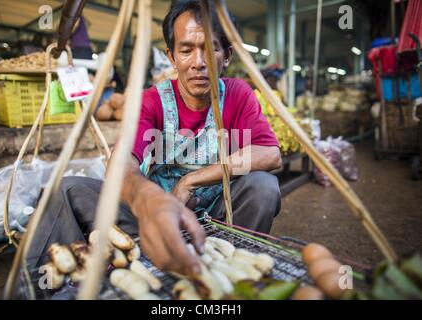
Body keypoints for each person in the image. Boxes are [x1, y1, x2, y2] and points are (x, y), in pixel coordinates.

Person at [27, 0, 282, 277]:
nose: (199, 63)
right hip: (150, 219)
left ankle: (226, 274)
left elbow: (270, 154)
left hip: (217, 217)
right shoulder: (152, 100)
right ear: (172, 57)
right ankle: (57, 285)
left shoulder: (237, 94)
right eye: (186, 51)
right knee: (64, 191)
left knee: (262, 187)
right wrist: (148, 199)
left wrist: (192, 180)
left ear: (227, 56)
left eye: (210, 49)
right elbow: (121, 163)